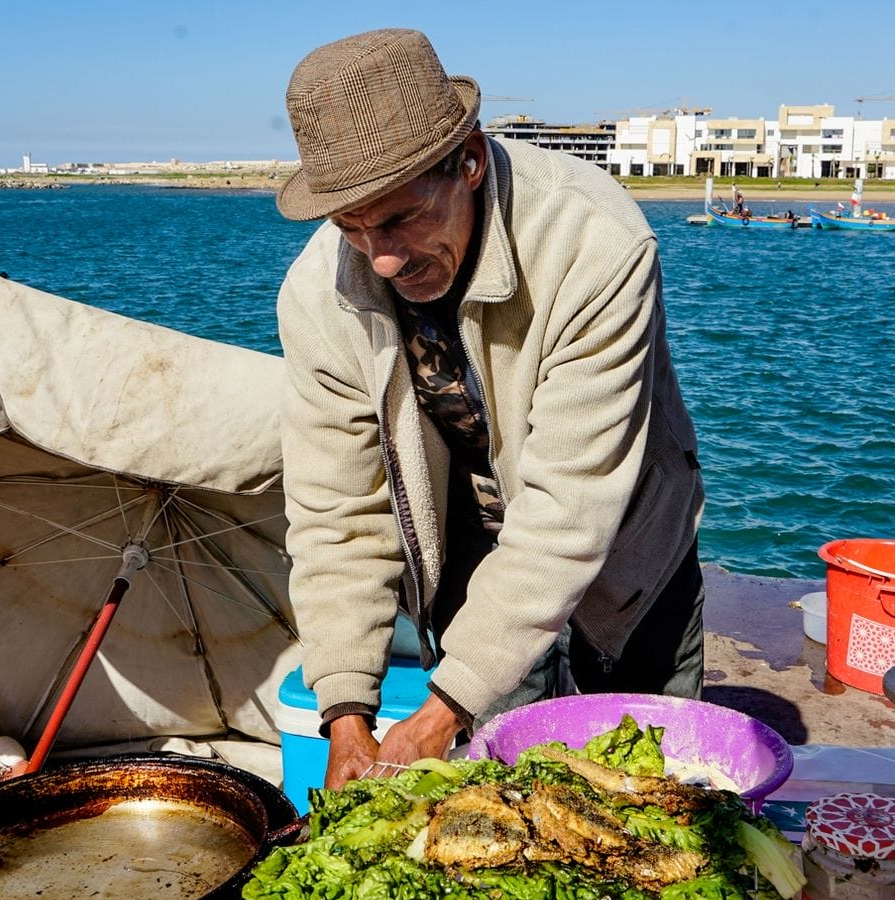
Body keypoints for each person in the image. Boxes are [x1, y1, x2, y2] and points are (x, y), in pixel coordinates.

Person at [274, 29, 705, 790]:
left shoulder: (596, 244)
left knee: (651, 792)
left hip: (625, 542)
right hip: (469, 547)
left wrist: (436, 715)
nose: (382, 258)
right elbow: (338, 514)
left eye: (401, 218)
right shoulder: (318, 297)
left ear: (468, 161)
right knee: (497, 801)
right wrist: (345, 712)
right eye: (350, 227)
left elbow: (569, 509)